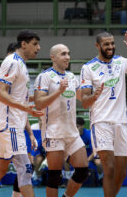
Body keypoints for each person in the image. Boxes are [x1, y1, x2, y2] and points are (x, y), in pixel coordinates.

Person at [80, 31, 127, 197]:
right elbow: (84, 101)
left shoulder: (121, 62)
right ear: (97, 46)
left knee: (121, 174)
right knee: (110, 169)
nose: (110, 47)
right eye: (106, 44)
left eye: (112, 43)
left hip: (120, 122)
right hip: (100, 122)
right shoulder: (88, 68)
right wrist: (94, 95)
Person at [0, 30, 43, 197]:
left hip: (13, 125)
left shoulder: (21, 64)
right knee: (25, 169)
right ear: (23, 44)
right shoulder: (12, 62)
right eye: (35, 44)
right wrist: (26, 109)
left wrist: (41, 97)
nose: (39, 48)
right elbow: (0, 94)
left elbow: (19, 97)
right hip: (11, 127)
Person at [34, 44, 88, 197]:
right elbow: (38, 103)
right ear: (53, 57)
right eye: (63, 54)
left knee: (83, 170)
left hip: (71, 132)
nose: (67, 57)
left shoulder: (71, 76)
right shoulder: (44, 77)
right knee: (54, 176)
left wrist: (95, 95)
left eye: (68, 53)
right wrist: (59, 91)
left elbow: (82, 99)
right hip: (53, 132)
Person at [76, 117, 103, 184]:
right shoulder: (73, 135)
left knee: (99, 163)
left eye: (77, 126)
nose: (76, 129)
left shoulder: (89, 135)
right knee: (66, 160)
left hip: (91, 155)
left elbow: (95, 151)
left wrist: (87, 160)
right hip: (80, 156)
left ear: (82, 126)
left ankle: (101, 179)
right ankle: (68, 180)